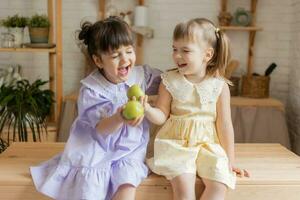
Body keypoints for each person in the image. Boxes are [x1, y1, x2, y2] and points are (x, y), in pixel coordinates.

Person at [30, 16, 161, 200]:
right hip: (96, 148)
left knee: (127, 187)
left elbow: (169, 82)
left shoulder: (141, 76)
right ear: (99, 61)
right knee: (90, 186)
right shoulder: (92, 90)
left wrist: (149, 104)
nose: (125, 59)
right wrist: (121, 116)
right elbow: (100, 129)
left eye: (129, 51)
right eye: (115, 56)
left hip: (129, 152)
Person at [144, 18, 249, 200]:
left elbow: (225, 125)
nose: (177, 55)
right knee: (184, 188)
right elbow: (161, 115)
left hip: (208, 146)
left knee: (219, 184)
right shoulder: (169, 81)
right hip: (176, 144)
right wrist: (146, 108)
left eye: (185, 51)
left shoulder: (219, 86)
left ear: (207, 55)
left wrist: (230, 161)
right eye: (174, 49)